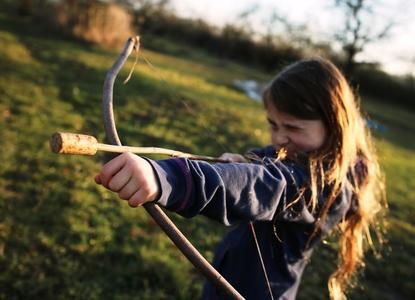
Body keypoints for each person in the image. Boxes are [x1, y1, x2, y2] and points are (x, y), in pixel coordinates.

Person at [94, 58, 385, 300]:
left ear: (333, 125)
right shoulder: (294, 154)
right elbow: (261, 166)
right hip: (230, 279)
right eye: (273, 124)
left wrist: (165, 178)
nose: (279, 138)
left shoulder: (325, 185)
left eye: (293, 128)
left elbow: (262, 185)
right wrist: (242, 163)